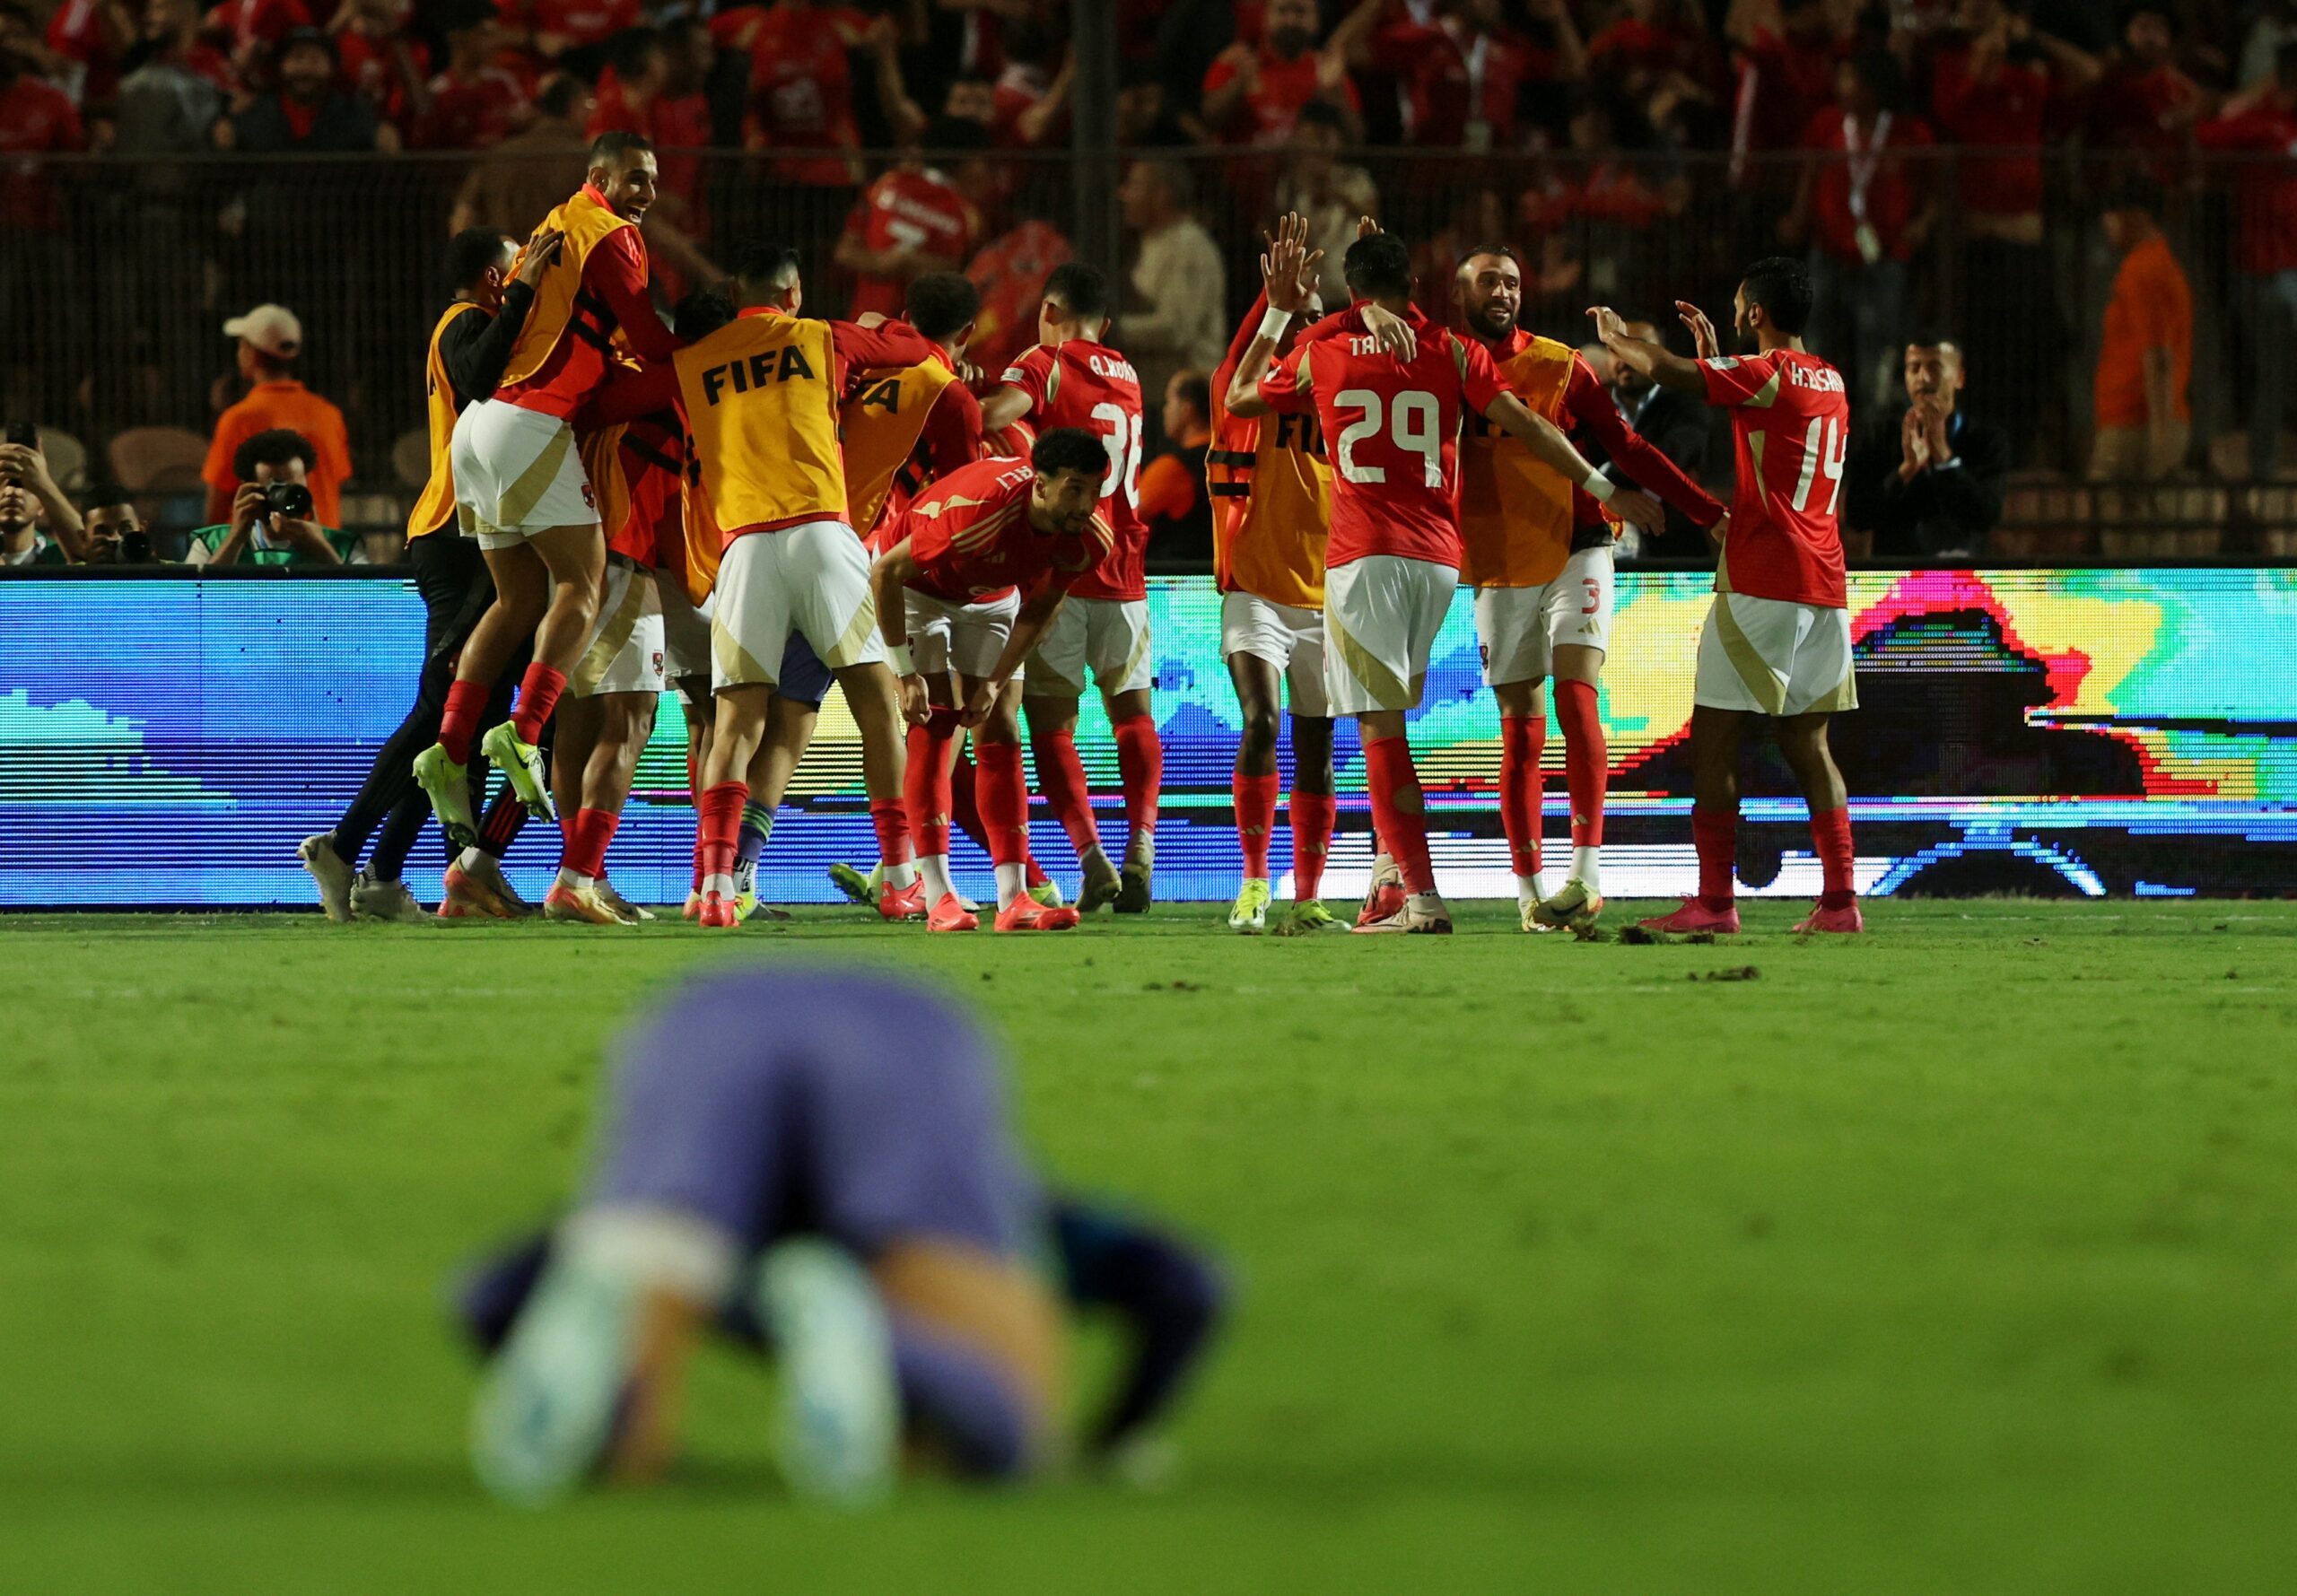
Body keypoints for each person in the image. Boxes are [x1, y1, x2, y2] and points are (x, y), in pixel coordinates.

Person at [455, 967, 1225, 1503]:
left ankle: (614, 1394)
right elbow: (1185, 1285)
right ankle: (877, 1339)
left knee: (638, 1257)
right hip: (907, 1033)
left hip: (703, 1019)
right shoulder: (1032, 1220)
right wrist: (1113, 1439)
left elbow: (488, 1298)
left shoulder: (727, 1271)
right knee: (1006, 1439)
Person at [1226, 218, 1663, 935]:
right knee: (1392, 721)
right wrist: (1600, 484)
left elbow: (1242, 394)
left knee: (1378, 730)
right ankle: (1399, 886)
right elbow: (1526, 422)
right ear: (1416, 289)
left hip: (1363, 555)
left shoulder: (1326, 347)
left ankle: (1417, 898)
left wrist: (1296, 309)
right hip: (1438, 559)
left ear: (1354, 291)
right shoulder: (1452, 348)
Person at [412, 132, 679, 859]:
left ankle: (451, 746)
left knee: (517, 602)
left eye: (653, 181)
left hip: (483, 428)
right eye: (634, 179)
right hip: (531, 423)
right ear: (598, 176)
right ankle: (524, 731)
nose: (646, 195)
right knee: (581, 586)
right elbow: (652, 340)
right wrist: (703, 355)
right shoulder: (612, 235)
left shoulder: (553, 222)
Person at [658, 241, 939, 929]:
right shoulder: (819, 338)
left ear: (736, 293)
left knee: (736, 724)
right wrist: (885, 326)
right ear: (792, 294)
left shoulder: (692, 362)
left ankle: (718, 886)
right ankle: (902, 877)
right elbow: (911, 350)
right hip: (819, 531)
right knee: (879, 705)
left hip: (744, 548)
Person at [1448, 246, 1724, 934]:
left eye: (1513, 280)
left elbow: (1626, 445)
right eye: (1490, 281)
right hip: (1497, 560)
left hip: (1580, 544)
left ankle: (1587, 875)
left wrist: (1705, 509)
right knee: (1519, 736)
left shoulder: (1559, 366)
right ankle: (1530, 891)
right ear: (1461, 293)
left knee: (1577, 697)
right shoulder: (1441, 365)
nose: (1505, 291)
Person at [1592, 256, 1864, 936]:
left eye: (1742, 307)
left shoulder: (1766, 374)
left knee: (1712, 743)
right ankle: (1840, 903)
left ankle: (1714, 902)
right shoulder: (1829, 378)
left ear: (1755, 313)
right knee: (1811, 747)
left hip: (1763, 580)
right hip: (1824, 585)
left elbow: (1666, 373)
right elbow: (1760, 419)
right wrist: (1717, 361)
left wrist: (1617, 338)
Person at [297, 228, 558, 925]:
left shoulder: (472, 323)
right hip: (457, 530)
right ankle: (344, 847)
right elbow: (477, 377)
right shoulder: (463, 322)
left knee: (459, 723)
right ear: (494, 278)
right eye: (515, 270)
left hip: (466, 530)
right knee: (442, 707)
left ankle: (381, 873)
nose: (522, 279)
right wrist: (531, 287)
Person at [871, 434, 1114, 933]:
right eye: (1074, 489)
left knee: (1001, 728)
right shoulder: (978, 517)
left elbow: (1043, 605)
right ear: (1039, 485)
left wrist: (996, 680)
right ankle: (939, 898)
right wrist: (903, 672)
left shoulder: (1090, 536)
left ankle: (1014, 900)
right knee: (935, 725)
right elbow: (886, 572)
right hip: (918, 589)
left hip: (990, 597)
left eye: (1094, 490)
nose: (1086, 505)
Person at [981, 263, 1162, 914]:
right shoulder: (1129, 372)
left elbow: (996, 411)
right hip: (1125, 569)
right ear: (1106, 324)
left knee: (1051, 723)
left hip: (1061, 562)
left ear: (1049, 310)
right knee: (1133, 714)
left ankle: (1093, 859)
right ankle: (1141, 849)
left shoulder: (1045, 360)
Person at [1208, 268, 1336, 935]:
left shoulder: (1347, 395)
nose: (1303, 328)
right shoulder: (1254, 396)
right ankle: (1254, 883)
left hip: (1327, 595)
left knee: (1316, 750)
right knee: (1262, 722)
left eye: (1315, 317)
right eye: (1294, 319)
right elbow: (1235, 373)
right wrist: (1274, 305)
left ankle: (1308, 894)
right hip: (1254, 588)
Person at [2193, 56, 2295, 480]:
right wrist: (2251, 98)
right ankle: (2263, 468)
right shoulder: (2261, 122)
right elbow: (2206, 134)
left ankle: (2265, 465)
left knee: (2278, 374)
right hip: (2266, 269)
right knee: (2274, 373)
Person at [1844, 334, 2009, 562]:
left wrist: (1944, 459)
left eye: (1935, 367)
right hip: (1895, 584)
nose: (1923, 377)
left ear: (1959, 377)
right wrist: (1906, 470)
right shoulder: (1881, 436)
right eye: (1914, 368)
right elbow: (1857, 516)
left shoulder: (1986, 440)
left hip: (1963, 583)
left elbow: (1987, 513)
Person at [200, 304, 354, 529]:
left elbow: (218, 504)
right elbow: (337, 480)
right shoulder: (329, 414)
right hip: (322, 550)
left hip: (261, 555)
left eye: (242, 345)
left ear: (252, 354)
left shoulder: (238, 419)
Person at [2089, 181, 2193, 484]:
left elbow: (2159, 357)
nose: (2105, 224)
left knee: (2115, 521)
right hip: (2142, 420)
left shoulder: (2144, 270)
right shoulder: (2161, 264)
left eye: (2111, 214)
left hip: (2133, 424)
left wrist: (2159, 439)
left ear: (2136, 216)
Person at [834, 118, 988, 322]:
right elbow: (966, 277)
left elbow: (845, 252)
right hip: (922, 337)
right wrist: (892, 263)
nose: (985, 170)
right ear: (970, 161)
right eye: (984, 161)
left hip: (865, 327)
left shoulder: (886, 185)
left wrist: (888, 262)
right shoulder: (967, 216)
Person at [1599, 318, 1717, 558]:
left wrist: (1605, 483)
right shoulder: (1592, 401)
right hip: (1600, 549)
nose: (1625, 359)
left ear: (1659, 355)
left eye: (1637, 348)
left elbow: (1669, 457)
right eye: (1616, 349)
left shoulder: (1687, 402)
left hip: (1676, 555)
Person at [1118, 160, 1228, 415]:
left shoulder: (1188, 247)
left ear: (1162, 195)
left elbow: (1176, 330)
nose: (1123, 194)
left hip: (1191, 403)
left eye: (1134, 186)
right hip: (1160, 400)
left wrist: (1112, 329)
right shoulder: (1150, 242)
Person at [186, 429, 358, 566]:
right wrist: (237, 537)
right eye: (275, 488)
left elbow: (368, 605)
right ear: (249, 488)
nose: (285, 497)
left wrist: (323, 551)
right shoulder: (210, 543)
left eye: (293, 487)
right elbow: (188, 604)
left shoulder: (343, 545)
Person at [1139, 371, 1212, 564]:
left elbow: (1131, 523)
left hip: (1177, 585)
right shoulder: (1232, 459)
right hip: (1227, 580)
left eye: (1169, 402)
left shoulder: (1172, 468)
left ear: (1188, 409)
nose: (1165, 411)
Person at [0, 436, 87, 565]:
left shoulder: (60, 555)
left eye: (25, 486)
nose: (12, 492)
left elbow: (87, 553)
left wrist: (43, 482)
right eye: (3, 484)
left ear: (43, 505)